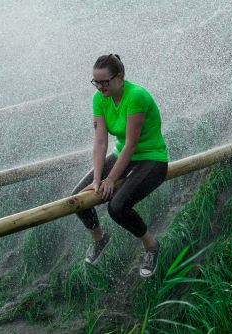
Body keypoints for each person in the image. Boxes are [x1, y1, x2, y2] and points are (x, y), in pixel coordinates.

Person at [71, 54, 169, 277]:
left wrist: (111, 180)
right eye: (95, 82)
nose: (99, 87)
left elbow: (132, 145)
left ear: (119, 78)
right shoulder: (99, 98)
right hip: (122, 153)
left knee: (116, 206)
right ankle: (99, 238)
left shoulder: (136, 97)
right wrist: (97, 179)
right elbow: (100, 141)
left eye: (104, 82)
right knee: (78, 198)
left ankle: (151, 246)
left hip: (151, 156)